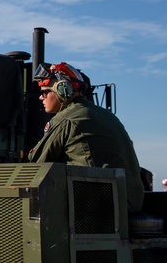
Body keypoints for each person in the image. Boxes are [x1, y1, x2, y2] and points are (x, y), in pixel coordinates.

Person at [29, 62, 144, 212]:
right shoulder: (107, 115)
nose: (40, 98)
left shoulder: (67, 118)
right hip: (127, 205)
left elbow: (37, 164)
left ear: (63, 91)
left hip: (99, 212)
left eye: (44, 92)